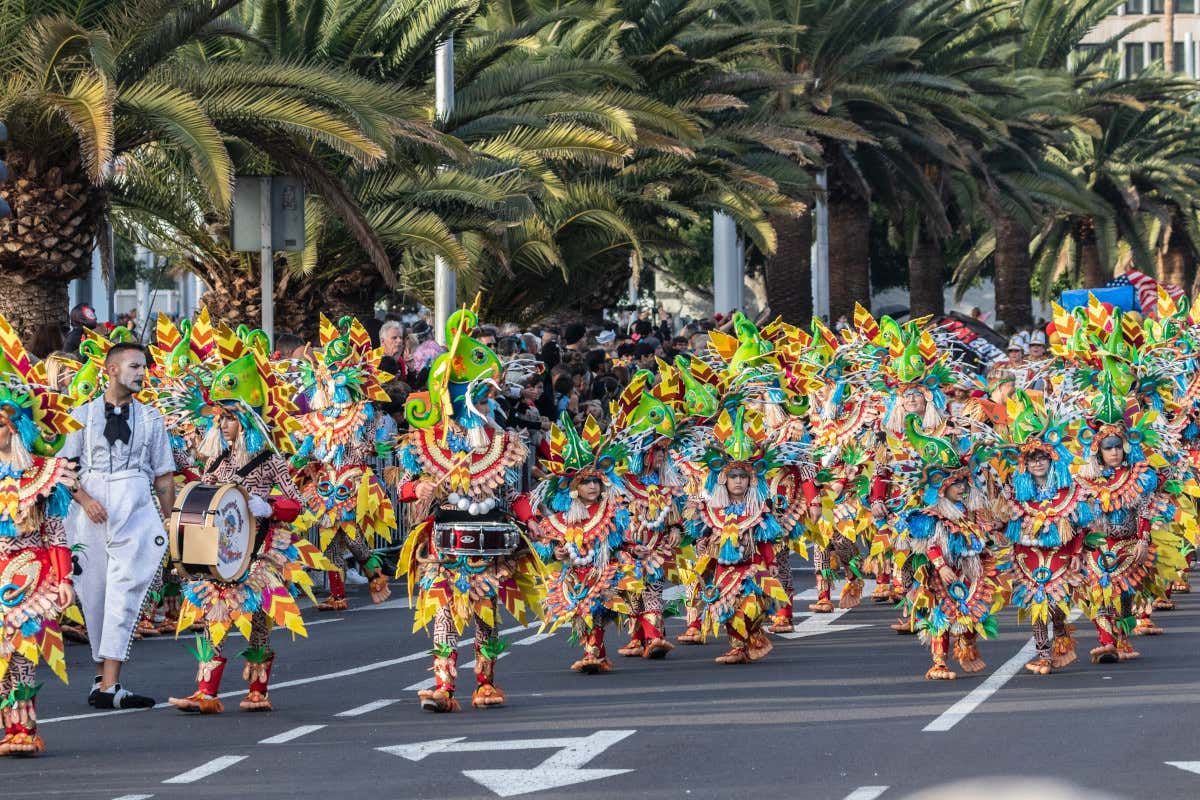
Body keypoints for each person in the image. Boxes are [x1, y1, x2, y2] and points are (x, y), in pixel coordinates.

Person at [164, 326, 327, 713]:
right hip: (220, 549)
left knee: (257, 618)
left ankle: (258, 691)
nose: (222, 425)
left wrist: (267, 507)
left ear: (248, 421)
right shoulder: (214, 457)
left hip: (260, 548)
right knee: (212, 617)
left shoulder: (270, 459)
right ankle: (207, 692)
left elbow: (295, 502)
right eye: (220, 418)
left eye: (230, 419)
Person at [63, 343, 176, 709]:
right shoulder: (81, 415)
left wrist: (171, 520)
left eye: (144, 367)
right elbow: (63, 468)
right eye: (134, 366)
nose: (142, 373)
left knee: (124, 592)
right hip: (89, 515)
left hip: (136, 509)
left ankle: (110, 684)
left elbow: (164, 477)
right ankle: (103, 682)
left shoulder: (153, 419)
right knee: (93, 594)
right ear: (111, 370)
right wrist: (84, 499)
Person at [0, 314, 80, 755]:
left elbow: (55, 530)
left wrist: (64, 578)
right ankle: (9, 726)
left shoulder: (43, 475)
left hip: (34, 573)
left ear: (16, 427)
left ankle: (24, 730)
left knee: (24, 650)